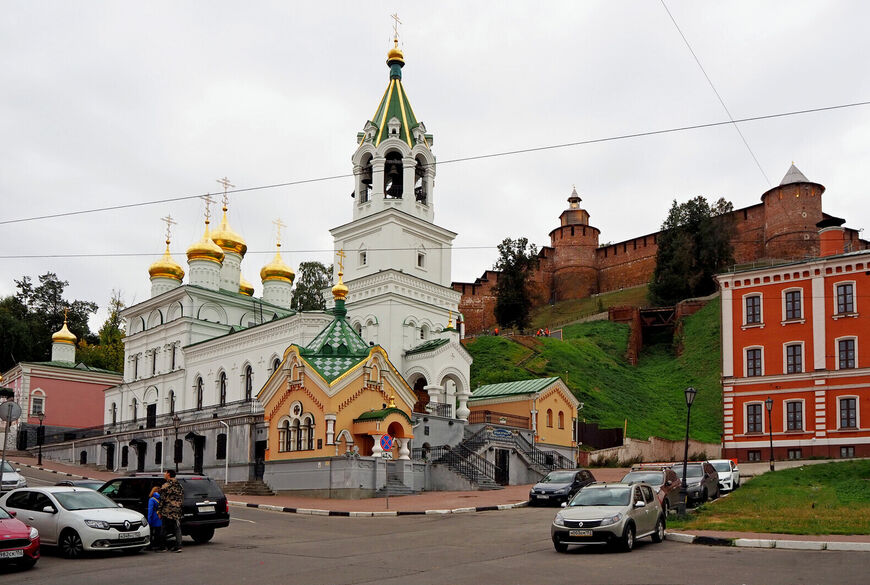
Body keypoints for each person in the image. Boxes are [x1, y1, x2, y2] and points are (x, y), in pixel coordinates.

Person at [157, 469, 183, 552]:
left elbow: (162, 499)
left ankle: (163, 546)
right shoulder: (179, 485)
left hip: (167, 510)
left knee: (164, 528)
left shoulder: (166, 485)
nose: (164, 474)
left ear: (168, 474)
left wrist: (159, 511)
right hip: (177, 509)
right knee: (177, 527)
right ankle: (178, 546)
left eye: (165, 473)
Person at [146, 487, 164, 551]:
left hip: (153, 517)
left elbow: (150, 511)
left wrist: (149, 520)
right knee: (158, 532)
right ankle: (159, 545)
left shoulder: (152, 500)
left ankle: (149, 546)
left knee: (150, 532)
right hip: (159, 517)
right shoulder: (161, 498)